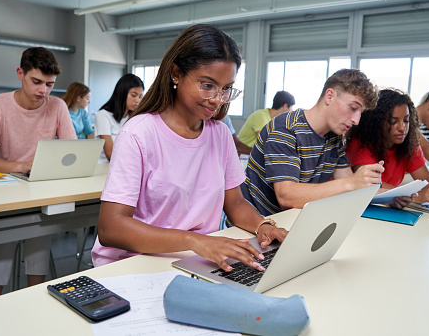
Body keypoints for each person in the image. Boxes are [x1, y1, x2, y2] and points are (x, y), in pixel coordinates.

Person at [91, 24, 287, 272]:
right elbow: (111, 228)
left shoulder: (221, 135)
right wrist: (196, 241)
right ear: (176, 74)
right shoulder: (138, 133)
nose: (217, 99)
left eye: (226, 88)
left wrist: (263, 226)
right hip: (138, 263)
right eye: (207, 85)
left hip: (198, 259)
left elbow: (235, 203)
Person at [0, 47, 77, 299]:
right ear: (20, 73)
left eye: (50, 84)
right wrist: (23, 166)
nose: (43, 90)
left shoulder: (58, 106)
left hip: (40, 187)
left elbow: (73, 152)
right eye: (37, 82)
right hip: (4, 189)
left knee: (39, 241)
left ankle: (33, 305)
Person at [240, 69, 382, 217]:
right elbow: (286, 197)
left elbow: (349, 183)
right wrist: (352, 183)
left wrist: (390, 197)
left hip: (295, 221)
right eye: (353, 108)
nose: (356, 120)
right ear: (329, 96)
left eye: (360, 112)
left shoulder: (334, 137)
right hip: (257, 224)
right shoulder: (286, 128)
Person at [346, 89, 429, 209]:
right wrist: (416, 196)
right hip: (354, 207)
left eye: (406, 120)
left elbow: (426, 178)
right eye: (393, 122)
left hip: (381, 208)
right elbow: (371, 185)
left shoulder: (408, 143)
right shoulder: (361, 143)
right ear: (377, 122)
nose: (402, 128)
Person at [94, 74, 144, 163]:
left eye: (140, 97)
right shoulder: (103, 115)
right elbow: (110, 154)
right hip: (104, 168)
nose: (137, 100)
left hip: (124, 167)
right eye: (133, 95)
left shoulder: (133, 118)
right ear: (122, 93)